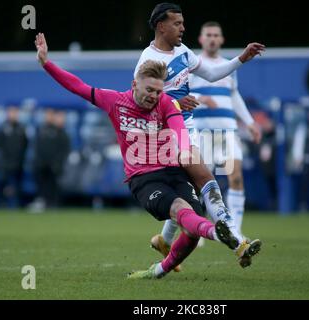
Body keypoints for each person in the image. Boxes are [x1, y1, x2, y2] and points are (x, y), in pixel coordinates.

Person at [35, 32, 261, 279]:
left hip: (172, 171)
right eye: (150, 90)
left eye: (158, 91)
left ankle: (158, 271)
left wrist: (185, 149)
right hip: (145, 179)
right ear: (134, 84)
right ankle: (222, 234)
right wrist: (47, 63)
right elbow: (77, 86)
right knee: (181, 211)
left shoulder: (165, 102)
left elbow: (178, 127)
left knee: (193, 227)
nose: (154, 96)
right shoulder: (114, 101)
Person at [135, 3, 264, 268]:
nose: (183, 28)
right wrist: (178, 105)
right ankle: (236, 240)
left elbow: (213, 73)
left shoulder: (183, 52)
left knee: (198, 187)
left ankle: (167, 241)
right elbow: (141, 103)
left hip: (187, 131)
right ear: (161, 26)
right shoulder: (148, 61)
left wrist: (242, 58)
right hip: (165, 137)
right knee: (203, 181)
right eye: (177, 23)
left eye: (183, 23)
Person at [188, 21, 262, 238]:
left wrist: (249, 121)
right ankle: (197, 229)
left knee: (235, 177)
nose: (212, 38)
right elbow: (179, 94)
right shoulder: (194, 64)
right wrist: (201, 99)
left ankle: (235, 231)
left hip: (227, 132)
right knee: (200, 184)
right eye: (208, 34)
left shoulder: (229, 66)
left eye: (216, 35)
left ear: (221, 39)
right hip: (201, 134)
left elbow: (234, 94)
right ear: (201, 39)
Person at [31, 108, 70, 211]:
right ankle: (42, 202)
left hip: (54, 164)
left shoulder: (59, 131)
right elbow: (37, 146)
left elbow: (64, 149)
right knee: (42, 184)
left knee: (54, 185)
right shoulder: (41, 130)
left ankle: (54, 204)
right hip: (42, 163)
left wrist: (57, 162)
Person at [0, 106, 28, 207]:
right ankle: (3, 203)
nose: (13, 115)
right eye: (11, 112)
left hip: (18, 161)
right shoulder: (3, 127)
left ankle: (17, 204)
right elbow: (0, 143)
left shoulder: (21, 127)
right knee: (4, 183)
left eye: (15, 113)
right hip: (6, 161)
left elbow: (25, 143)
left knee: (17, 184)